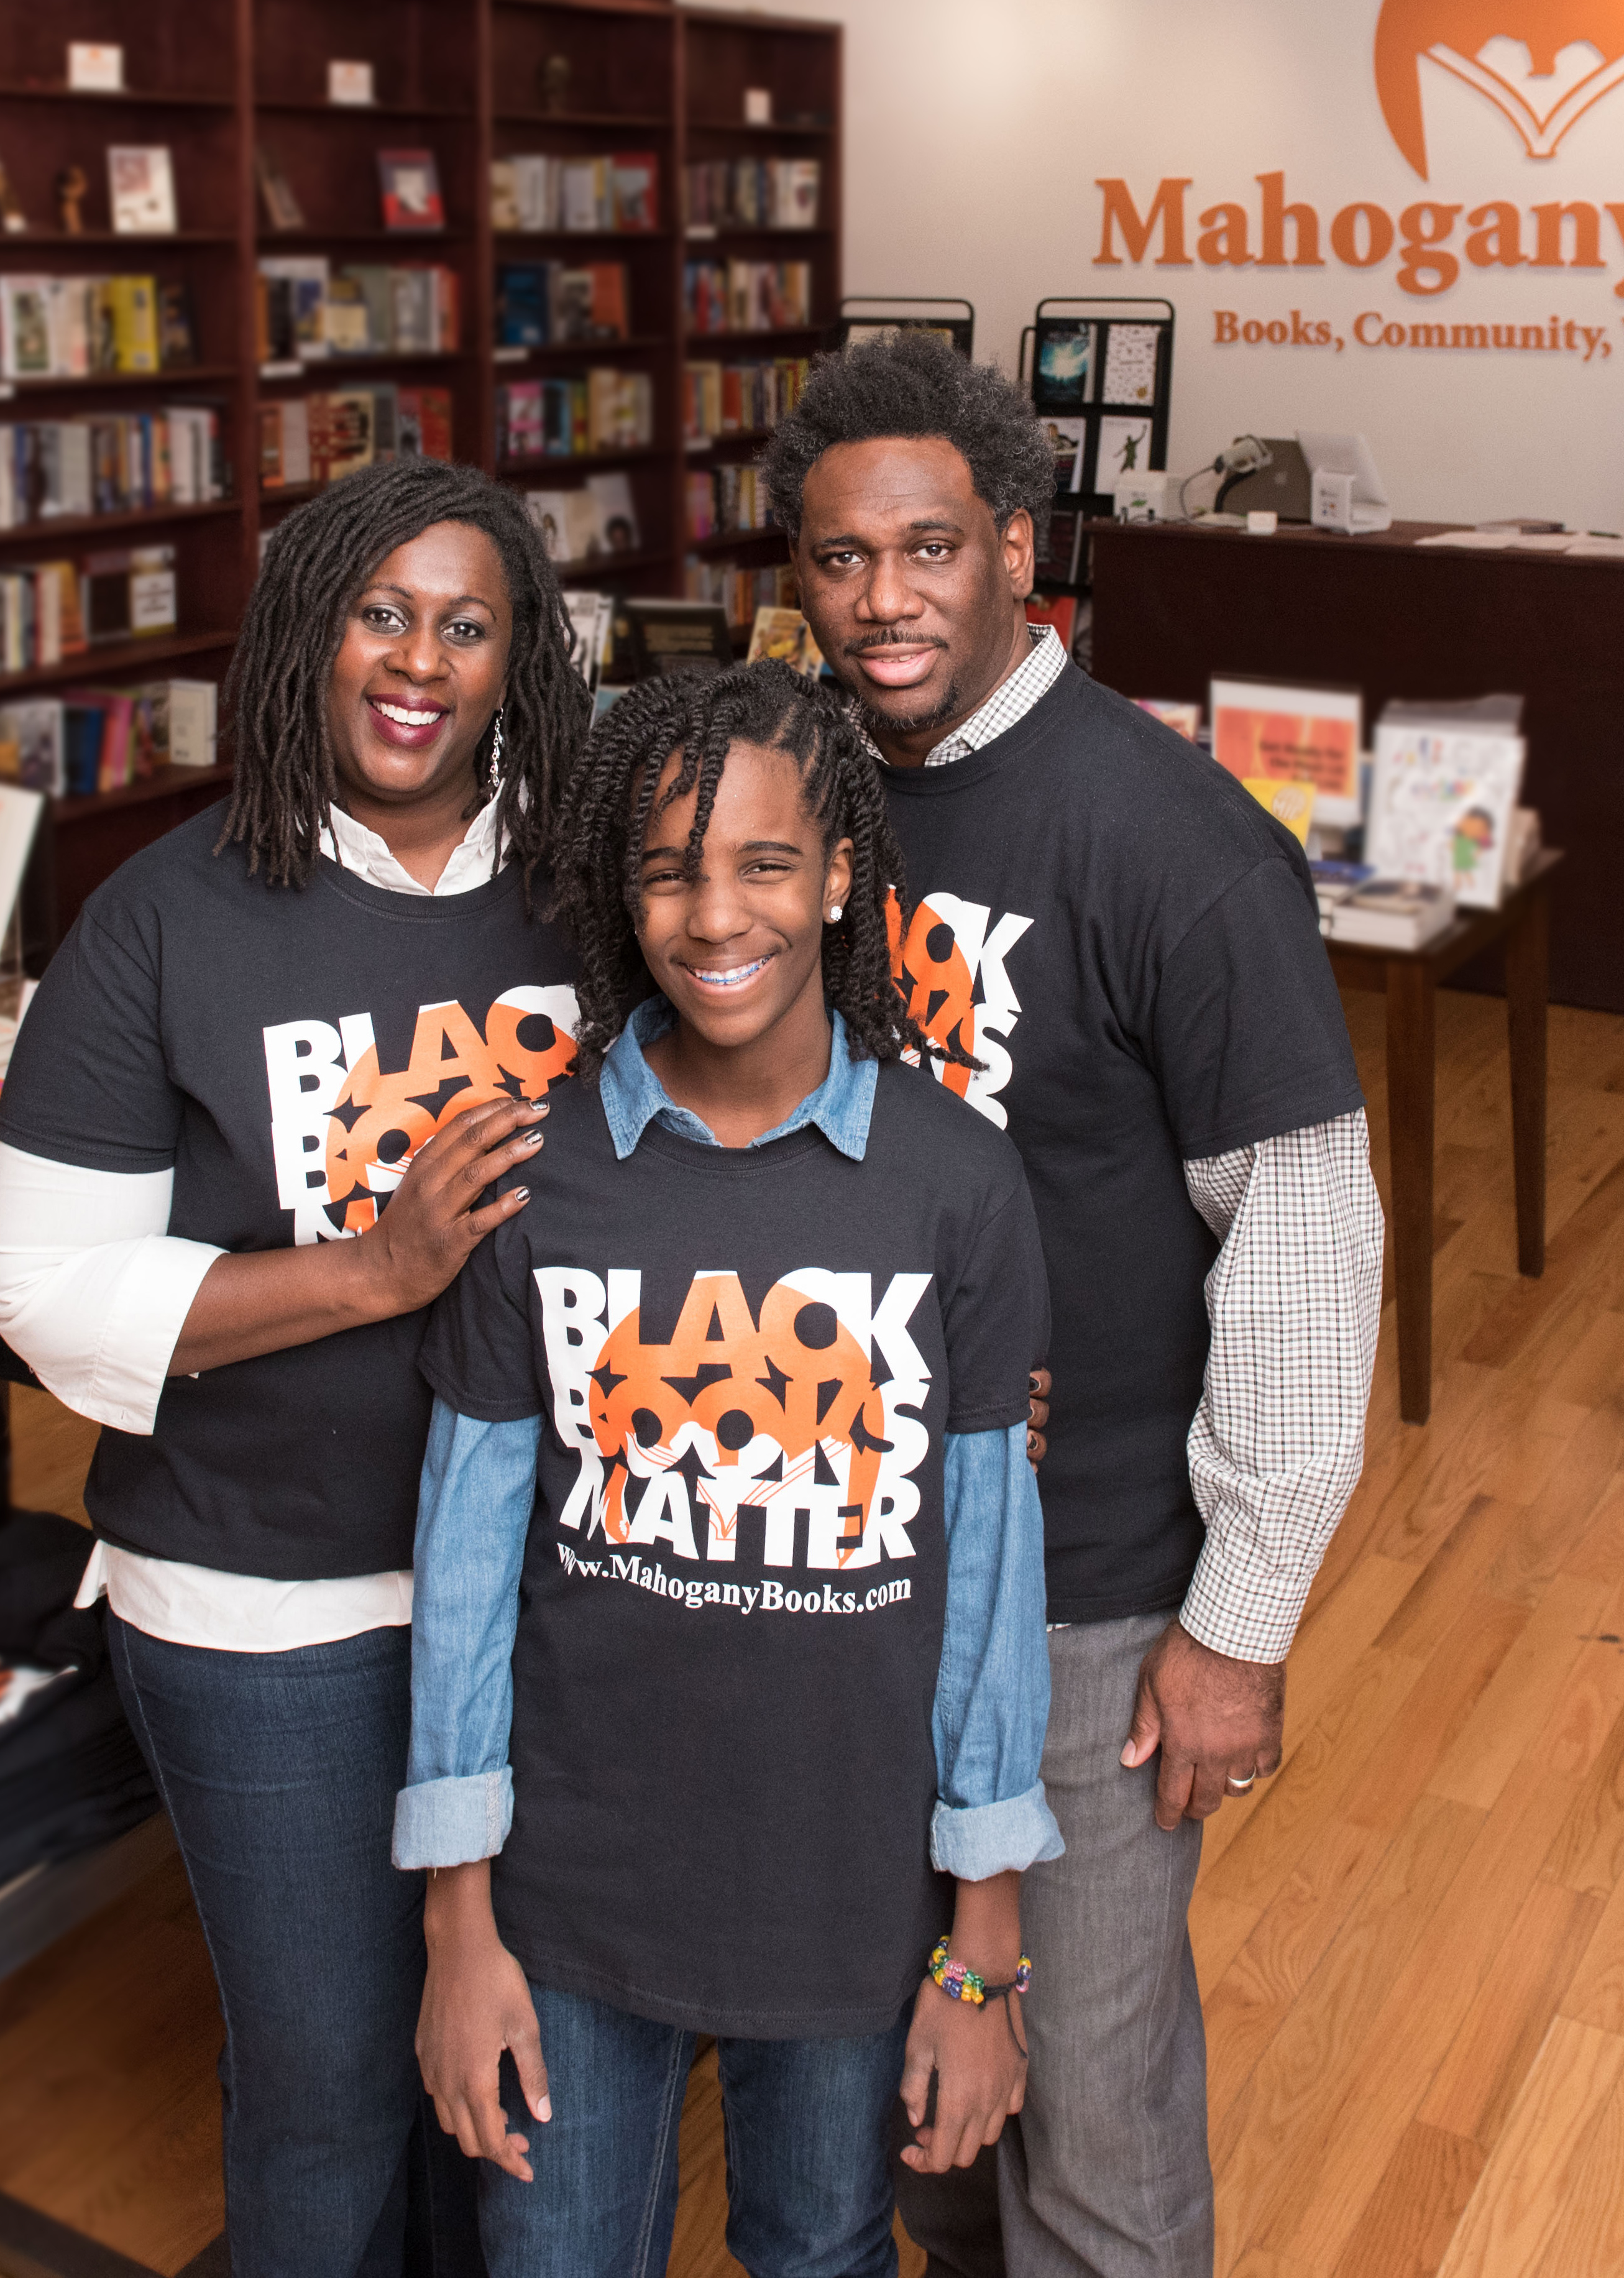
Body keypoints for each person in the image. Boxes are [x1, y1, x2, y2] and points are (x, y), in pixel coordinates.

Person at [766, 330, 1387, 2277]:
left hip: (1091, 1599)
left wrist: (1240, 1619)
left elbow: (1299, 1237)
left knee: (1095, 2118)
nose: (883, 601)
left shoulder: (1173, 841)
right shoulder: (808, 799)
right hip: (850, 1553)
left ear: (1019, 552)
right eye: (841, 560)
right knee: (916, 2086)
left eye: (928, 550)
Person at [0, 457, 595, 2276]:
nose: (419, 660)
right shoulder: (164, 914)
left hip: (550, 1583)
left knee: (501, 2068)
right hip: (264, 1604)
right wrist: (371, 1270)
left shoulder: (586, 885)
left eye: (466, 625)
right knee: (326, 2081)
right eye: (379, 612)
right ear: (307, 639)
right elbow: (36, 1283)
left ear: (518, 660)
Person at [396, 666, 1060, 2277]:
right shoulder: (530, 1175)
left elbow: (986, 1584)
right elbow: (469, 1566)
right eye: (667, 868)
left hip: (846, 1907)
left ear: (838, 876)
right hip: (564, 1907)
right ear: (620, 893)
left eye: (762, 863)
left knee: (821, 2251)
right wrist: (454, 1921)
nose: (712, 914)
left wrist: (979, 1960)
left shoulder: (953, 1187)